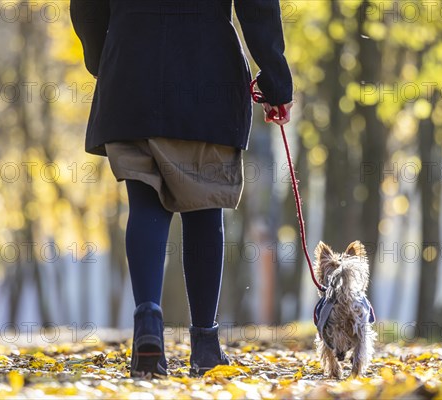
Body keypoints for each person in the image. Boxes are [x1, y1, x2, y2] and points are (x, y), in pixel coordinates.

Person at [70, 0, 293, 377]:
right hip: (206, 69)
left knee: (145, 202)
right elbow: (258, 6)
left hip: (130, 68)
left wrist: (102, 55)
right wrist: (274, 77)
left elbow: (87, 6)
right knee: (204, 205)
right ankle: (205, 346)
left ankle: (148, 326)